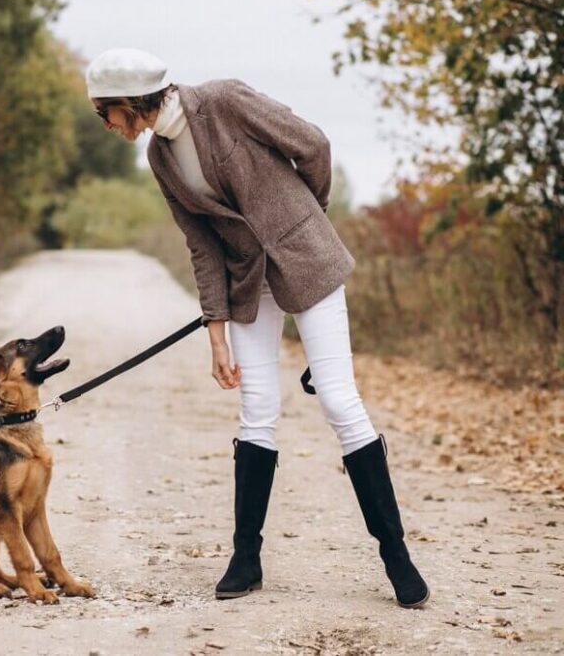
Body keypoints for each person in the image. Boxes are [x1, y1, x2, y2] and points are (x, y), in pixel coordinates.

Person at [84, 48, 429, 609]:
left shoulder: (223, 100)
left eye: (106, 113)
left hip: (308, 261)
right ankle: (246, 559)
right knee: (258, 410)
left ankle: (397, 557)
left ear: (130, 99)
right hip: (248, 282)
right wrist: (215, 332)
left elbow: (312, 145)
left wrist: (303, 219)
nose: (106, 125)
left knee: (340, 403)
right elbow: (201, 245)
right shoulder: (160, 159)